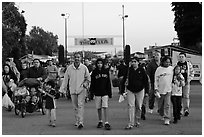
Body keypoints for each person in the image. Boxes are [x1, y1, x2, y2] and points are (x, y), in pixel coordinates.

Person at [60, 53, 91, 129]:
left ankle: (81, 122)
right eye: (75, 57)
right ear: (73, 58)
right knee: (75, 106)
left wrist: (85, 84)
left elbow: (88, 78)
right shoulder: (69, 68)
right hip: (72, 89)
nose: (77, 59)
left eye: (78, 57)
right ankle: (77, 120)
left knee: (80, 105)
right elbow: (66, 79)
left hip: (81, 89)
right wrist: (62, 89)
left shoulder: (84, 67)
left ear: (81, 58)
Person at [122, 57, 149, 129]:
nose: (133, 63)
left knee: (139, 106)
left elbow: (146, 81)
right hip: (130, 90)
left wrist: (147, 91)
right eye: (132, 62)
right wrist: (122, 91)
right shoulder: (128, 70)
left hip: (140, 90)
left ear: (138, 62)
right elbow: (124, 80)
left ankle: (137, 120)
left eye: (135, 61)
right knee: (131, 106)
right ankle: (131, 123)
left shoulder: (142, 70)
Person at [90, 58, 112, 130]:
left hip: (105, 92)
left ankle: (106, 122)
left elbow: (108, 83)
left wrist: (109, 93)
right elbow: (92, 83)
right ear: (96, 64)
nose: (99, 64)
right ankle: (100, 121)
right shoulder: (94, 72)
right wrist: (91, 93)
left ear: (103, 64)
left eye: (101, 63)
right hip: (97, 92)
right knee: (98, 107)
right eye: (98, 63)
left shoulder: (106, 71)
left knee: (105, 107)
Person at [154, 56, 173, 125]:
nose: (167, 63)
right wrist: (155, 88)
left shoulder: (171, 69)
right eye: (166, 62)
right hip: (160, 90)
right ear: (163, 62)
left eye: (169, 62)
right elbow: (155, 79)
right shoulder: (159, 69)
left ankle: (167, 118)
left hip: (168, 89)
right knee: (160, 104)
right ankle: (161, 113)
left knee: (167, 104)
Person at [177, 52, 194, 116]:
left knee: (186, 96)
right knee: (179, 96)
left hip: (186, 83)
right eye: (180, 57)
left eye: (182, 57)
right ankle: (180, 109)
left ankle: (186, 109)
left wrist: (189, 80)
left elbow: (192, 73)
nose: (181, 58)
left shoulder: (188, 64)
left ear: (185, 57)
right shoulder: (176, 64)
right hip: (178, 83)